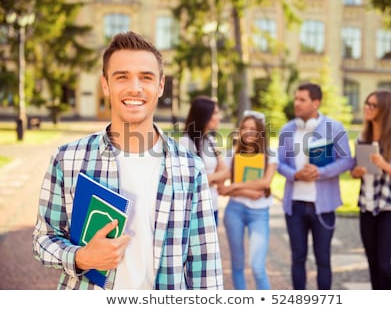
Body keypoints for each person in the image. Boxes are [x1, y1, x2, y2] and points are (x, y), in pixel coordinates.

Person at [32, 31, 223, 290]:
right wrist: (81, 257)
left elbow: (204, 263)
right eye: (122, 76)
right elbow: (44, 239)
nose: (135, 88)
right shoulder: (68, 159)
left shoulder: (190, 168)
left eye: (146, 77)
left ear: (160, 85)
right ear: (105, 84)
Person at [277, 82, 353, 290]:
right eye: (296, 98)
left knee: (323, 260)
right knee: (297, 259)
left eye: (302, 99)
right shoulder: (287, 129)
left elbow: (347, 160)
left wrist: (321, 172)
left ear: (316, 103)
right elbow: (279, 163)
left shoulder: (334, 128)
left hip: (323, 207)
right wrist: (295, 174)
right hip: (295, 206)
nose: (297, 103)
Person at [350, 90, 391, 290]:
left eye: (372, 105)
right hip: (367, 207)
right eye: (366, 103)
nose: (367, 108)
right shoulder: (362, 137)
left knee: (386, 264)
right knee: (373, 265)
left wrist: (384, 165)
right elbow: (354, 171)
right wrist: (357, 172)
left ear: (385, 110)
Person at [218, 110, 278, 290]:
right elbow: (222, 188)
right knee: (237, 264)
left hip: (259, 214)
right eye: (245, 128)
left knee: (258, 266)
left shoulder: (271, 155)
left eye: (253, 128)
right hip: (234, 211)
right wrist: (249, 192)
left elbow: (265, 183)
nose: (248, 132)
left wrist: (235, 187)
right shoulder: (230, 155)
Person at [179, 96, 229, 226]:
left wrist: (208, 178)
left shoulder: (210, 141)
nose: (219, 117)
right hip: (195, 209)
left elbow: (225, 172)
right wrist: (213, 178)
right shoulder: (186, 143)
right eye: (215, 113)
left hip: (213, 206)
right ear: (204, 115)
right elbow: (191, 180)